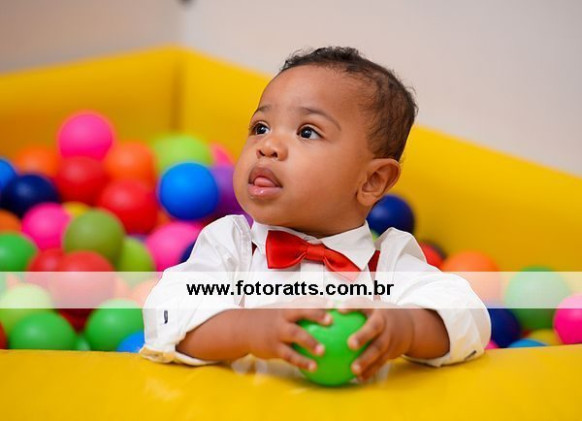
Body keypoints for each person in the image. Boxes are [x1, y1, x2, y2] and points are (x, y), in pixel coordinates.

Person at [140, 46, 491, 383]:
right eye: (260, 127)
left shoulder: (389, 262)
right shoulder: (232, 247)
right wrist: (249, 330)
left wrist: (405, 329)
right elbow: (167, 313)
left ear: (372, 180)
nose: (267, 146)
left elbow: (469, 316)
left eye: (307, 132)